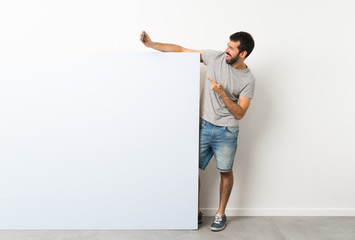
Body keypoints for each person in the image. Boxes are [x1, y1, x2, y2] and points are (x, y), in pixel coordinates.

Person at [140, 31, 255, 232]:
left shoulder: (248, 79)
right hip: (204, 125)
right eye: (227, 45)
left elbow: (240, 114)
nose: (226, 50)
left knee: (225, 171)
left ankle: (221, 213)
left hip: (227, 131)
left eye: (231, 48)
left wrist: (222, 93)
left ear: (243, 53)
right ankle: (195, 211)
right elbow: (182, 50)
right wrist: (152, 44)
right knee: (190, 169)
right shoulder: (216, 57)